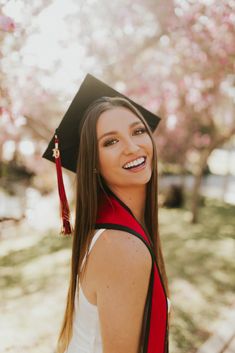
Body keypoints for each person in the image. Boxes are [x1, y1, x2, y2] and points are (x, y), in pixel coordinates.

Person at [43, 74, 171, 353]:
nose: (133, 147)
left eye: (138, 131)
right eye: (110, 142)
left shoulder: (108, 229)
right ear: (93, 162)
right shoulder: (122, 247)